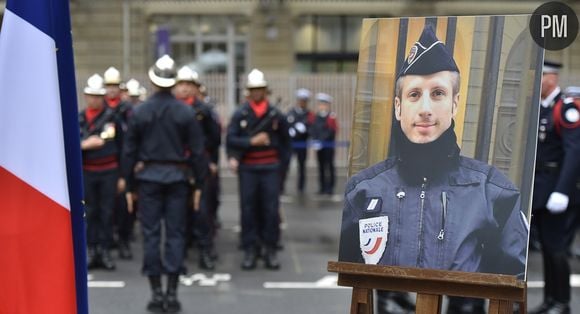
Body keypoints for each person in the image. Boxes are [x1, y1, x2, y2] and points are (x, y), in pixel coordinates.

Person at [338, 26, 528, 312]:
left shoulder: (494, 193)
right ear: (399, 108)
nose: (425, 108)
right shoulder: (362, 191)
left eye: (438, 93)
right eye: (414, 95)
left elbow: (511, 292)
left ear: (454, 104)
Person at [121, 55, 207, 313]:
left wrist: (128, 186)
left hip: (148, 179)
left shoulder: (139, 111)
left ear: (152, 79)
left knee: (150, 234)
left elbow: (129, 151)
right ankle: (172, 293)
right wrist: (200, 183)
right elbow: (198, 151)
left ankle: (156, 293)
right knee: (176, 234)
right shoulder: (186, 111)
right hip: (177, 179)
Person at [226, 69, 291, 270]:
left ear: (265, 91)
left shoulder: (276, 115)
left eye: (259, 89)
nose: (256, 93)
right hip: (248, 169)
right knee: (248, 210)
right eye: (253, 89)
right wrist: (251, 141)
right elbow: (230, 139)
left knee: (271, 211)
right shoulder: (240, 114)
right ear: (248, 91)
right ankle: (250, 249)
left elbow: (285, 144)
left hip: (270, 168)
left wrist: (282, 170)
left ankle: (270, 249)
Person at [529, 62, 580, 314]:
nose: (537, 81)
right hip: (541, 188)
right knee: (548, 247)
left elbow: (574, 152)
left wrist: (562, 191)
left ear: (552, 78)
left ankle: (562, 302)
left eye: (541, 76)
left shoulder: (566, 108)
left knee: (557, 247)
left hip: (557, 189)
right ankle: (550, 300)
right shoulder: (542, 108)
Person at [174, 65, 221, 270]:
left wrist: (211, 163)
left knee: (203, 212)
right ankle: (179, 254)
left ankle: (205, 251)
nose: (184, 88)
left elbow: (214, 139)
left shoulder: (205, 111)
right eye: (181, 84)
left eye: (188, 84)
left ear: (195, 87)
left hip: (199, 166)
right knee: (178, 213)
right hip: (176, 167)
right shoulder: (170, 108)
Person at [79, 74, 124, 271]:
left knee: (107, 212)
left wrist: (123, 175)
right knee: (90, 212)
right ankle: (90, 250)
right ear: (86, 96)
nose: (94, 99)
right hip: (87, 171)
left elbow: (123, 145)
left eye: (98, 96)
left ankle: (104, 250)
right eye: (91, 96)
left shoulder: (112, 117)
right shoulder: (79, 118)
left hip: (108, 171)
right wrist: (84, 145)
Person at [103, 66, 134, 260]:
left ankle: (124, 240)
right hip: (106, 163)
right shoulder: (102, 109)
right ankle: (108, 241)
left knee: (123, 206)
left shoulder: (127, 110)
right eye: (109, 86)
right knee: (106, 207)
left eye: (115, 86)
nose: (112, 90)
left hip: (123, 160)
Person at [286, 88, 315, 193]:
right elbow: (286, 124)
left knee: (302, 166)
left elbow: (311, 127)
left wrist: (306, 130)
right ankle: (281, 187)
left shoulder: (309, 114)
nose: (302, 102)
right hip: (291, 143)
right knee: (286, 164)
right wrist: (291, 130)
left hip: (302, 143)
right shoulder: (291, 112)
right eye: (301, 100)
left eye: (305, 100)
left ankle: (301, 188)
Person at [311, 92, 338, 195]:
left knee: (329, 166)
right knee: (321, 166)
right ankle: (322, 187)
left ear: (327, 105)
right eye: (320, 104)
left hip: (328, 146)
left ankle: (330, 188)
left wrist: (321, 141)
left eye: (324, 104)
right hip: (318, 147)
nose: (321, 106)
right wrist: (315, 139)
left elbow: (331, 131)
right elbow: (313, 129)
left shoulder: (331, 116)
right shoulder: (316, 116)